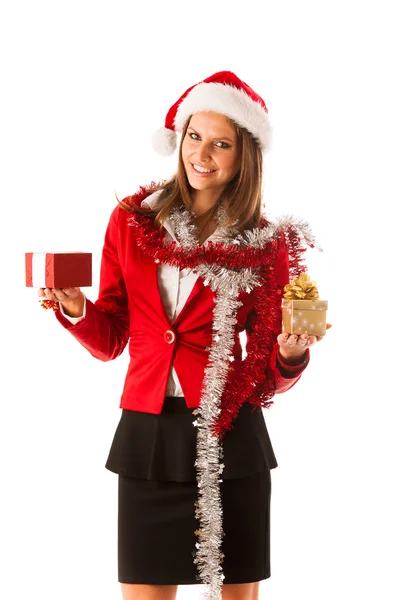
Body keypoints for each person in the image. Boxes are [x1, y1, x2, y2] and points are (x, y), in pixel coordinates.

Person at [38, 71, 331, 600]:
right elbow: (112, 341)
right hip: (146, 437)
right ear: (178, 138)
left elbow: (269, 372)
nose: (203, 153)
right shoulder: (130, 221)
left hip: (229, 435)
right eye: (195, 136)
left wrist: (290, 352)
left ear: (246, 157)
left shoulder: (263, 242)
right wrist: (77, 308)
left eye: (222, 144)